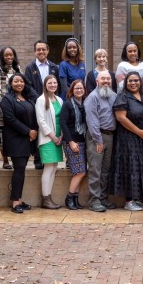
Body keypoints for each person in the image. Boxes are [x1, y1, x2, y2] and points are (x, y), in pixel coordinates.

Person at [111, 71, 143, 211]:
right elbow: (121, 118)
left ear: (140, 82)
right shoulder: (122, 96)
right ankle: (129, 200)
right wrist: (138, 131)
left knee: (142, 167)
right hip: (128, 138)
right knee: (131, 166)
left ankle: (139, 199)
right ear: (126, 83)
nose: (133, 83)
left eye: (136, 80)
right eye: (130, 81)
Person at [0, 73, 38, 214]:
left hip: (27, 139)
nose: (19, 84)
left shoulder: (27, 98)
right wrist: (28, 131)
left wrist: (32, 132)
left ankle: (19, 199)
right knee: (19, 170)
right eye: (16, 81)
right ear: (10, 83)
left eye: (21, 81)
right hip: (15, 139)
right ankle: (15, 202)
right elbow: (10, 119)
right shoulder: (7, 99)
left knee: (21, 170)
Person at [84, 70, 118, 212]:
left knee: (105, 170)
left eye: (108, 79)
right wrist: (98, 141)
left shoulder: (113, 95)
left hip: (110, 137)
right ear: (97, 81)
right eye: (103, 79)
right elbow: (92, 121)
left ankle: (103, 198)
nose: (106, 81)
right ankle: (94, 200)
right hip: (96, 137)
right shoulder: (92, 97)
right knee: (95, 169)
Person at [24, 40, 60, 169]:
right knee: (38, 129)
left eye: (43, 49)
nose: (41, 52)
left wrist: (52, 99)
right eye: (38, 49)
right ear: (35, 52)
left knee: (51, 127)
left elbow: (57, 85)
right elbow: (27, 87)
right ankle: (38, 158)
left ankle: (51, 156)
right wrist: (41, 98)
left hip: (52, 102)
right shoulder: (29, 68)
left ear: (47, 51)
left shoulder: (55, 67)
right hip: (36, 103)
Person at [35, 74, 63, 209]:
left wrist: (61, 136)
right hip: (47, 139)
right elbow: (41, 121)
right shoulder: (41, 100)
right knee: (48, 167)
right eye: (50, 83)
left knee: (54, 167)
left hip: (58, 138)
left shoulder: (59, 100)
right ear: (45, 85)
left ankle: (49, 197)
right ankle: (45, 199)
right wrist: (53, 137)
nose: (52, 85)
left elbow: (62, 120)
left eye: (54, 83)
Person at [59, 80, 88, 209]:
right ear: (72, 90)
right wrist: (70, 142)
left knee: (78, 171)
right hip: (72, 142)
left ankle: (75, 200)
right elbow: (63, 124)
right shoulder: (67, 104)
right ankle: (69, 197)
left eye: (81, 88)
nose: (79, 90)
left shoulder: (85, 104)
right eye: (76, 88)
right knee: (81, 171)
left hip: (83, 141)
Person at [0, 46, 22, 170]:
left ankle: (14, 158)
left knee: (14, 133)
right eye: (6, 55)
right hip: (3, 107)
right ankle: (5, 160)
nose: (9, 57)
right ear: (2, 57)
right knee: (2, 134)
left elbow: (21, 85)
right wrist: (7, 104)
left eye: (11, 55)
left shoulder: (18, 68)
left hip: (17, 106)